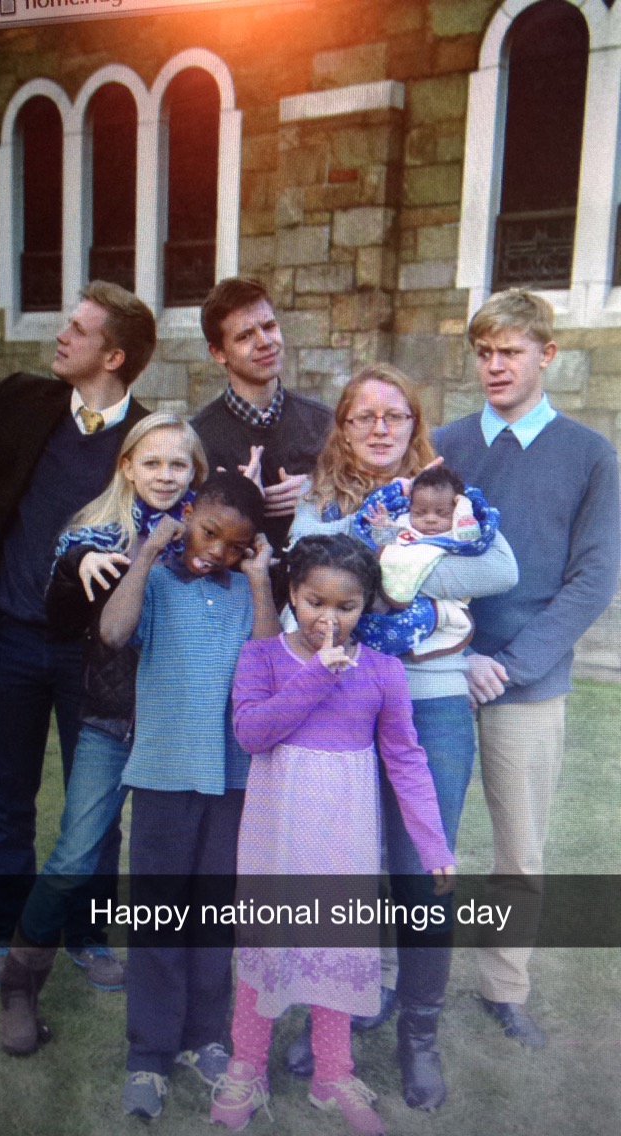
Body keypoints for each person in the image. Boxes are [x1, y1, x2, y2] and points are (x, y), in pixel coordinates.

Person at [286, 363, 518, 1110]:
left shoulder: (445, 495)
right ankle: (335, 1017)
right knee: (346, 872)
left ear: (415, 424)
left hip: (434, 704)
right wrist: (418, 562)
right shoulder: (322, 503)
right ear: (344, 427)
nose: (380, 428)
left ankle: (419, 1034)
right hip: (344, 707)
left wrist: (385, 571)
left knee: (424, 874)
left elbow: (501, 568)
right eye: (364, 415)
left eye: (396, 415)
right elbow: (303, 596)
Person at [209, 534, 455, 1136]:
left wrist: (433, 846)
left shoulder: (383, 672)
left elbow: (406, 762)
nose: (329, 619)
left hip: (344, 835)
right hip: (275, 835)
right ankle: (247, 1066)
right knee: (265, 945)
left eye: (346, 607)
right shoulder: (262, 658)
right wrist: (316, 675)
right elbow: (252, 734)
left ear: (366, 605)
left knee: (337, 946)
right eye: (315, 602)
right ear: (293, 593)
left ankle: (333, 1073)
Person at [433, 288, 621, 1047]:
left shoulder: (590, 455)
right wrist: (456, 653)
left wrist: (508, 666)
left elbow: (593, 578)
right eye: (484, 353)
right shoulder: (444, 444)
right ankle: (396, 980)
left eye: (510, 351)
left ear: (548, 355)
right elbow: (414, 559)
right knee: (420, 841)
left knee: (519, 849)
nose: (495, 366)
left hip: (528, 682)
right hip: (438, 673)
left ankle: (504, 987)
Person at [0, 412, 208, 1056]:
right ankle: (20, 984)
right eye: (152, 462)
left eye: (178, 464)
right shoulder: (98, 532)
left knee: (177, 863)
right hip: (113, 717)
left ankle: (184, 999)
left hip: (182, 722)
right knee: (75, 850)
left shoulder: (209, 528)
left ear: (195, 470)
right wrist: (80, 562)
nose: (165, 475)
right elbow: (66, 592)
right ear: (128, 467)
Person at [0, 281, 155, 989]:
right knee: (8, 798)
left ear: (113, 356)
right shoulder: (25, 402)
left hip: (97, 654)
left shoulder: (147, 438)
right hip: (12, 641)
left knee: (98, 803)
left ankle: (87, 934)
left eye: (78, 330)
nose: (61, 336)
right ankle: (2, 932)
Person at [99, 471, 280, 1121]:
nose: (217, 552)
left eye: (236, 545)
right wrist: (148, 551)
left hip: (232, 779)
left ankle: (206, 1036)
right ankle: (149, 1051)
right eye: (208, 533)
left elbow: (269, 664)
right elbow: (113, 632)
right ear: (189, 514)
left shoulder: (244, 592)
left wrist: (258, 580)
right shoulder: (157, 582)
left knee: (213, 916)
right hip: (163, 777)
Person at [191, 276, 333, 562]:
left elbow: (361, 504)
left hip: (316, 578)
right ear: (218, 352)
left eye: (269, 326)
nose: (265, 342)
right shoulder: (197, 438)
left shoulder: (326, 423)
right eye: (245, 336)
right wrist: (241, 501)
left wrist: (320, 493)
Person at [353, 464, 499, 659]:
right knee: (365, 614)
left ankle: (387, 646)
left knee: (408, 627)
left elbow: (471, 538)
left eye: (442, 513)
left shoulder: (456, 533)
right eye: (420, 513)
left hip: (435, 603)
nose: (430, 519)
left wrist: (464, 509)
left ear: (455, 510)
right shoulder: (404, 524)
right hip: (386, 596)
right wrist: (382, 526)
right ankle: (366, 643)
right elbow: (384, 547)